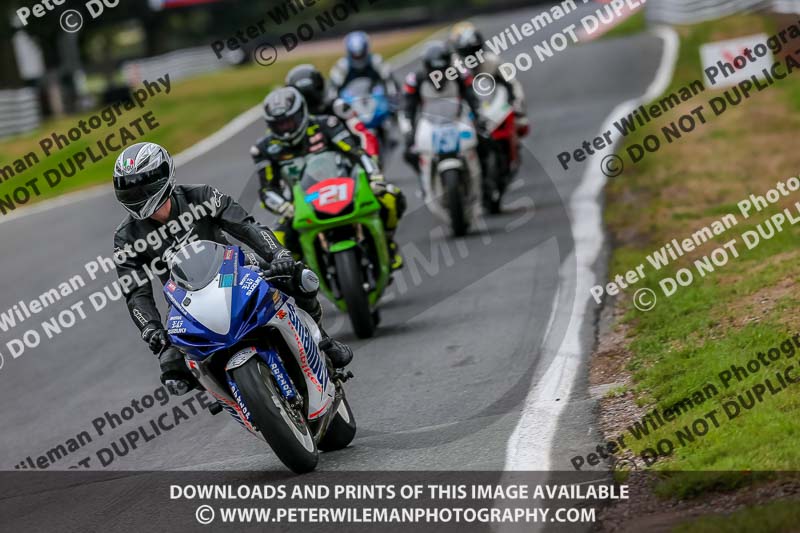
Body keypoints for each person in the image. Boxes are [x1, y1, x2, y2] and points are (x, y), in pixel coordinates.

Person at [112, 142, 354, 395]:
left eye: (144, 186)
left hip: (237, 269)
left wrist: (278, 254)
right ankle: (223, 391)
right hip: (185, 299)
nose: (138, 195)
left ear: (164, 176)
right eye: (129, 190)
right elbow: (135, 291)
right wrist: (150, 327)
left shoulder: (202, 196)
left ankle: (323, 341)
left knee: (298, 276)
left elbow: (246, 226)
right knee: (171, 367)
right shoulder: (126, 237)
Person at [250, 87, 406, 270]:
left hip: (346, 188)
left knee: (391, 197)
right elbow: (267, 189)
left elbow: (356, 152)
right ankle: (301, 277)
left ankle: (388, 244)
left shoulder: (327, 125)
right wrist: (284, 206)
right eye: (279, 125)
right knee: (275, 244)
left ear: (302, 113)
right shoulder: (264, 149)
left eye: (289, 122)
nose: (285, 130)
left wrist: (374, 176)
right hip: (300, 204)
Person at [399, 40, 486, 172]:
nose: (438, 74)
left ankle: (483, 180)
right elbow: (408, 106)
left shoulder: (460, 75)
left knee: (485, 142)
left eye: (441, 69)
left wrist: (478, 117)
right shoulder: (416, 79)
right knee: (410, 153)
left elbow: (472, 98)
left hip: (458, 119)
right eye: (434, 69)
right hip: (428, 123)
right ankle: (425, 183)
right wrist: (409, 130)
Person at [285, 63, 380, 161]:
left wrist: (371, 162)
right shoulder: (289, 120)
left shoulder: (338, 106)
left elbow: (363, 133)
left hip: (346, 163)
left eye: (311, 96)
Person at [449, 22, 529, 137]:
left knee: (521, 124)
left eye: (474, 50)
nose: (471, 55)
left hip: (494, 106)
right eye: (466, 51)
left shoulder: (493, 61)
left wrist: (517, 106)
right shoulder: (452, 67)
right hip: (466, 113)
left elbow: (513, 83)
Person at [329, 31, 398, 98]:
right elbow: (333, 92)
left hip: (377, 101)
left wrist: (391, 96)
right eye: (355, 56)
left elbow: (390, 84)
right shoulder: (342, 65)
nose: (358, 58)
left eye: (361, 55)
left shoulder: (376, 61)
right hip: (350, 105)